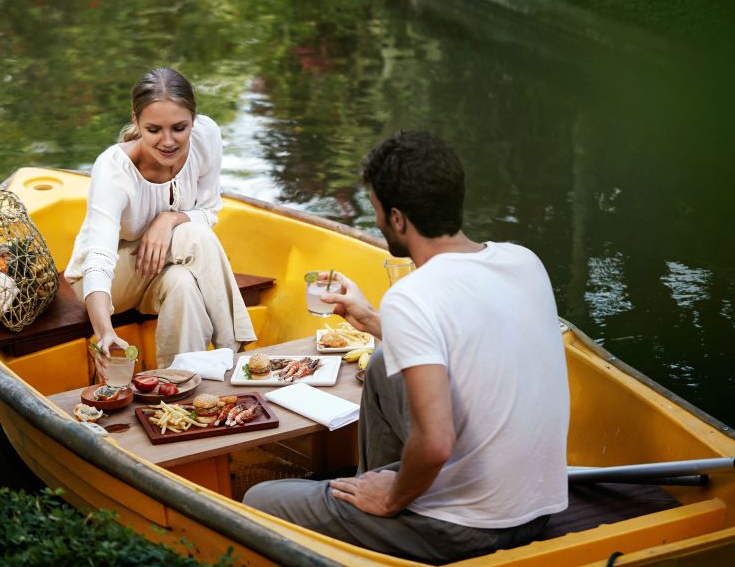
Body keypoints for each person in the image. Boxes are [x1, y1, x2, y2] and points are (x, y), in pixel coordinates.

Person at [243, 131, 569, 564]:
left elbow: (435, 443)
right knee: (381, 362)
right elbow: (461, 335)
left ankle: (382, 512)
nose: (377, 221)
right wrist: (370, 320)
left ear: (398, 219)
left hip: (471, 529)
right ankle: (370, 496)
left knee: (256, 500)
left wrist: (393, 498)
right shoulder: (523, 260)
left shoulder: (413, 295)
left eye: (377, 211)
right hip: (537, 508)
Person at [64, 67, 255, 370]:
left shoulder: (206, 137)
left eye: (179, 128)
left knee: (183, 286)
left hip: (163, 270)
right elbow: (98, 259)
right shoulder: (115, 170)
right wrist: (104, 333)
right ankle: (237, 355)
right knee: (197, 236)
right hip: (114, 282)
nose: (168, 142)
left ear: (193, 120)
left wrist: (168, 219)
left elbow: (208, 211)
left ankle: (181, 383)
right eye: (154, 130)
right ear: (136, 121)